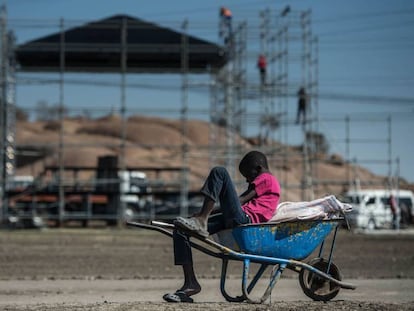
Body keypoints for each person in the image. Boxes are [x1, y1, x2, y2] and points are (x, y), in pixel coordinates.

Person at [163, 150, 281, 303]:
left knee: (220, 172)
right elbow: (237, 204)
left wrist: (204, 214)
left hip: (246, 221)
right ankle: (190, 283)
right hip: (238, 218)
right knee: (181, 230)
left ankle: (201, 220)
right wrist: (201, 213)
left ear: (258, 168)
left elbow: (240, 201)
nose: (247, 180)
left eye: (248, 175)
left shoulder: (267, 178)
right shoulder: (264, 181)